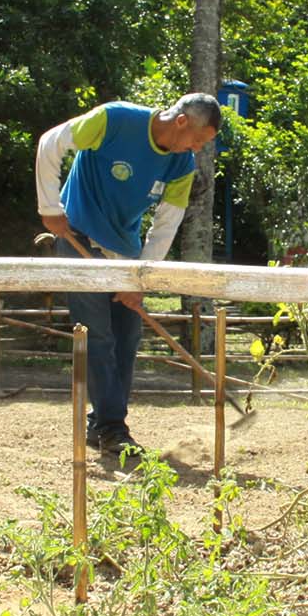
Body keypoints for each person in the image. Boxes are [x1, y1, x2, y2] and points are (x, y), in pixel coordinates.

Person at [36, 93, 222, 458]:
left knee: (126, 337)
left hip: (126, 252)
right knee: (98, 337)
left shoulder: (180, 166)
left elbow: (166, 226)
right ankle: (112, 428)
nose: (197, 150)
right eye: (198, 141)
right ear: (181, 122)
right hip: (79, 237)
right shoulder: (114, 121)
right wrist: (50, 207)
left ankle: (101, 424)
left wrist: (140, 279)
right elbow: (50, 143)